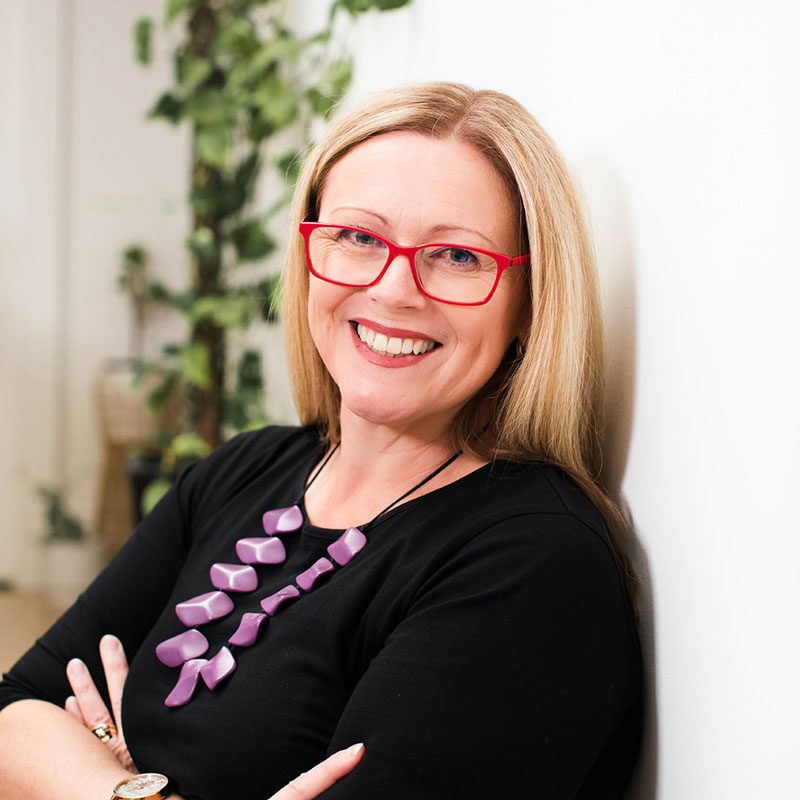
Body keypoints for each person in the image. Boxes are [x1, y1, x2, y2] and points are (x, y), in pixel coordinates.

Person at [0, 82, 643, 799]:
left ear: (529, 303)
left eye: (458, 256)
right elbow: (13, 712)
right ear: (310, 255)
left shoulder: (535, 566)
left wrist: (109, 769)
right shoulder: (246, 469)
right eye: (359, 237)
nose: (394, 289)